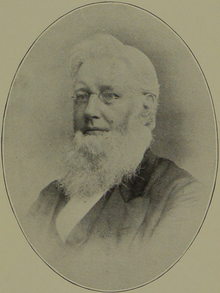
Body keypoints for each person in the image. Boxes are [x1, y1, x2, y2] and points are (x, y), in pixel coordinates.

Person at [25, 34, 205, 290]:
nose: (89, 111)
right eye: (81, 96)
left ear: (146, 109)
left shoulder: (181, 195)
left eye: (109, 96)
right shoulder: (48, 198)